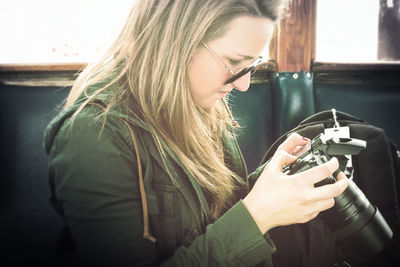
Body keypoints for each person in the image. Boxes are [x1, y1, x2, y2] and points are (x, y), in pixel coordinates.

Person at [44, 0, 349, 266]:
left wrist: (272, 182)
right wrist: (258, 215)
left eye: (251, 65)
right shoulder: (93, 136)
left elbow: (214, 214)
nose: (242, 84)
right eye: (233, 62)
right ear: (175, 40)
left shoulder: (199, 102)